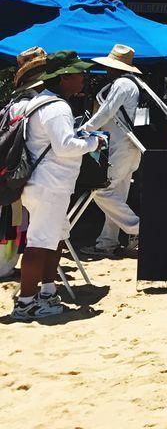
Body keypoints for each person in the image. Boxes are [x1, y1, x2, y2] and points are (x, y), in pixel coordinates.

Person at [10, 49, 103, 321]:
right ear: (63, 78)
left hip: (42, 184)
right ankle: (25, 303)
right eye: (78, 73)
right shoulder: (58, 107)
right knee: (39, 245)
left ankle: (47, 293)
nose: (84, 77)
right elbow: (65, 147)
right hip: (49, 186)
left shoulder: (39, 102)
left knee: (55, 238)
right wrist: (95, 142)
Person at [84, 44, 146, 256]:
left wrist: (83, 129)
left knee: (100, 191)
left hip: (121, 146)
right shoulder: (135, 84)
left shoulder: (121, 84)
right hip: (131, 146)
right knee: (116, 197)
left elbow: (106, 113)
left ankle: (140, 228)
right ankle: (107, 242)